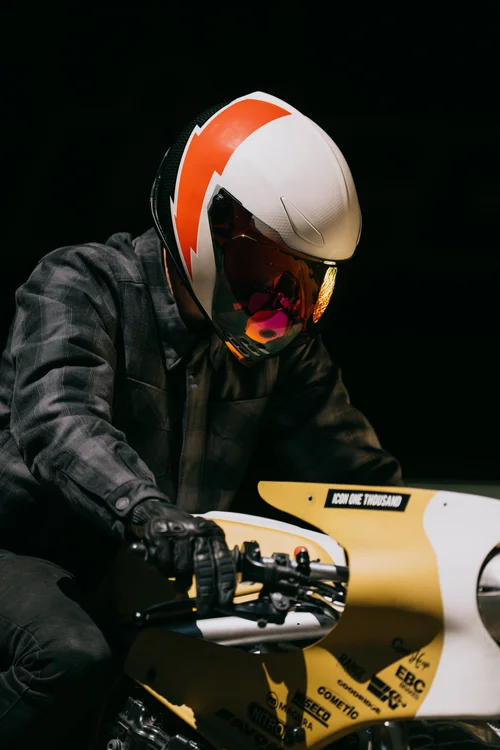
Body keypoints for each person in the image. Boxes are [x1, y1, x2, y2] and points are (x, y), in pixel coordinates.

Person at [0, 91, 403, 748]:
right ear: (207, 223)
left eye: (307, 284)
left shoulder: (277, 344)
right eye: (268, 270)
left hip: (155, 568)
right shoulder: (82, 283)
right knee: (68, 655)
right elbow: (60, 423)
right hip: (28, 550)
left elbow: (354, 469)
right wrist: (147, 512)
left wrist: (425, 547)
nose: (284, 305)